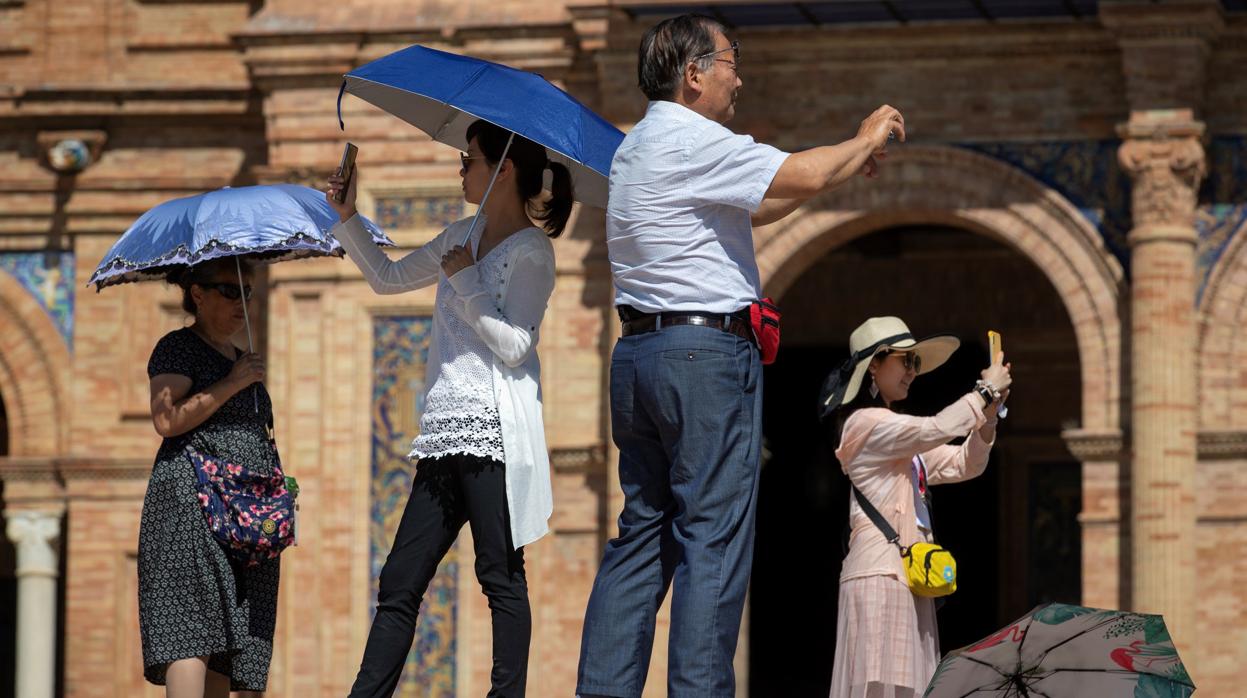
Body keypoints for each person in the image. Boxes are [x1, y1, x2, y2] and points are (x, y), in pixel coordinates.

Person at [577, 13, 906, 698]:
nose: (739, 75)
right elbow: (802, 173)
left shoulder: (636, 148)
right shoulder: (696, 139)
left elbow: (755, 206)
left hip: (639, 357)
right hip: (702, 359)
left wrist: (837, 170)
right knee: (712, 538)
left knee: (642, 536)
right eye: (730, 60)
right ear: (693, 73)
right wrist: (864, 137)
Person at [326, 119, 572, 698]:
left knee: (499, 576)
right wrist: (346, 215)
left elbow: (515, 346)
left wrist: (468, 284)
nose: (462, 168)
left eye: (471, 159)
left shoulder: (532, 251)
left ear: (503, 169)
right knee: (400, 579)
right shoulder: (459, 235)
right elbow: (386, 279)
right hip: (443, 433)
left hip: (494, 432)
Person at [822, 316, 1012, 698]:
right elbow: (934, 428)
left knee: (913, 689)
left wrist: (988, 419)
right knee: (882, 690)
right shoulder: (864, 423)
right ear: (873, 364)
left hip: (909, 578)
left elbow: (966, 464)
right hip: (879, 576)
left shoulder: (898, 438)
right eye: (905, 361)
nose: (912, 372)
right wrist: (985, 391)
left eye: (916, 364)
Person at [139, 257, 277, 697]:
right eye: (229, 290)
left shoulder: (243, 358)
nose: (242, 303)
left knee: (231, 639)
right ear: (197, 293)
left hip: (247, 518)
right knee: (190, 626)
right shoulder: (177, 347)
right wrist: (234, 383)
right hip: (191, 506)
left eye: (248, 292)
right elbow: (166, 419)